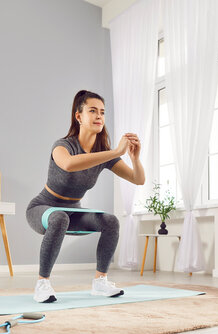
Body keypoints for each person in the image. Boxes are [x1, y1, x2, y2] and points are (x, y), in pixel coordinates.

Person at [26, 90, 145, 303]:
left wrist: (135, 158)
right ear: (78, 116)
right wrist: (116, 152)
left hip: (73, 212)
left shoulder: (104, 154)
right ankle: (42, 284)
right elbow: (70, 164)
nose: (99, 116)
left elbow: (138, 179)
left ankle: (100, 282)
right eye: (93, 111)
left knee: (110, 221)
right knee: (59, 216)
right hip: (43, 208)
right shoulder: (63, 146)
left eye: (102, 112)